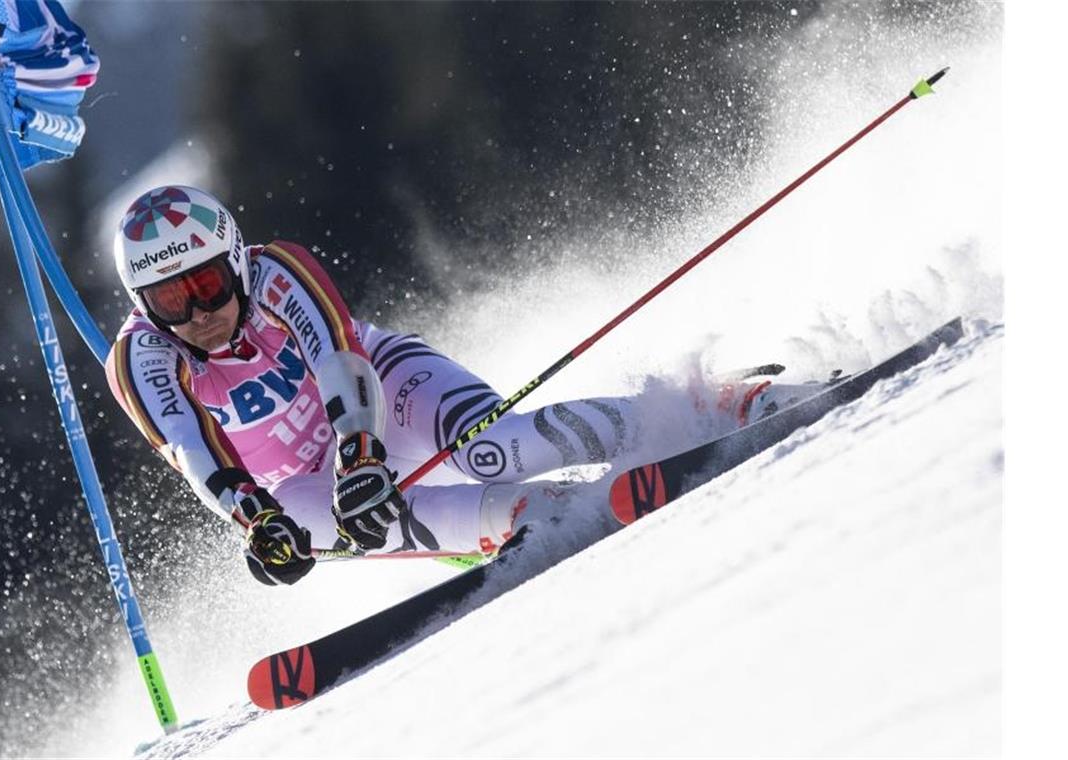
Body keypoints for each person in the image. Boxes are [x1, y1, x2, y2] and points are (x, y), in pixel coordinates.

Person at [106, 185, 818, 586]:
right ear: (145, 305)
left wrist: (360, 455)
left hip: (379, 394)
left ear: (232, 259)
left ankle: (712, 404)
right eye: (172, 301)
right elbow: (194, 450)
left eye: (204, 284)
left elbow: (338, 354)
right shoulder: (142, 360)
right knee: (329, 523)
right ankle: (550, 515)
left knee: (492, 448)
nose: (198, 313)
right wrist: (259, 526)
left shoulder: (276, 271)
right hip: (296, 477)